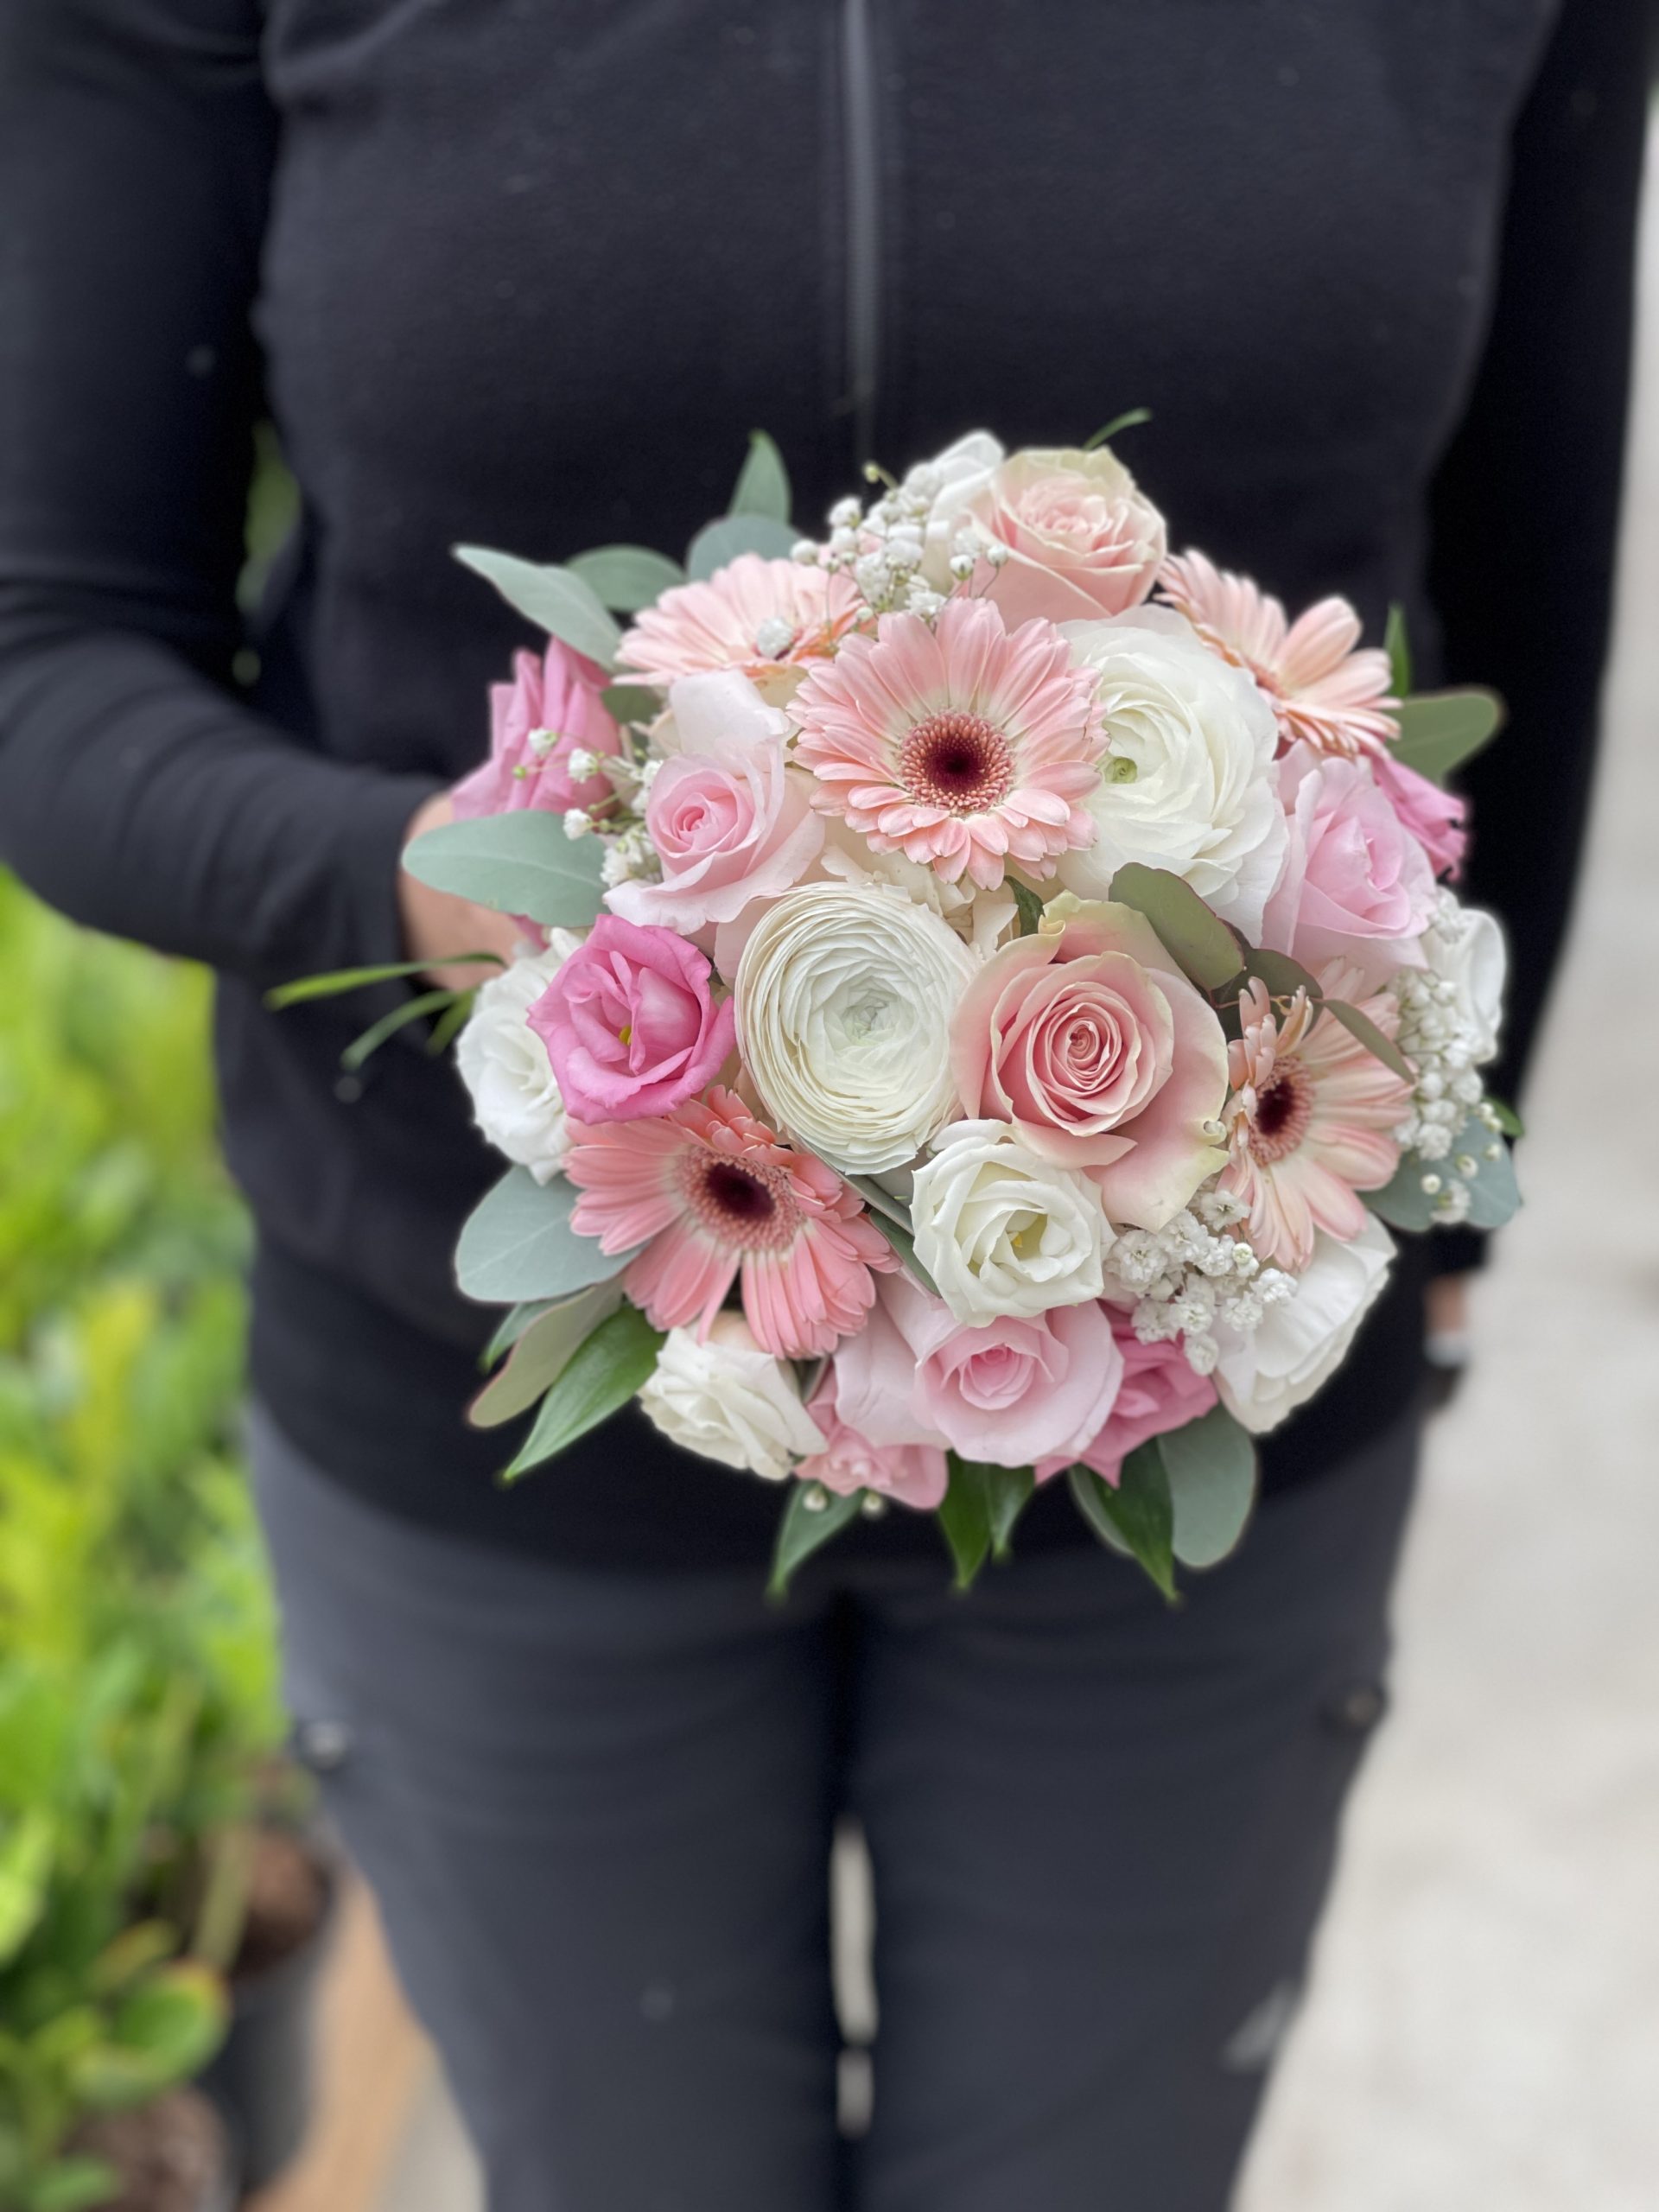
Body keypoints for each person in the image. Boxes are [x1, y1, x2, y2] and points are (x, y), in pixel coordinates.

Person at [0, 5, 1648, 2207]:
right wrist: (435, 881)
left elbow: (1517, 612)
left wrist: (1433, 1216)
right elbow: (49, 646)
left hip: (1189, 1398)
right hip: (494, 1423)